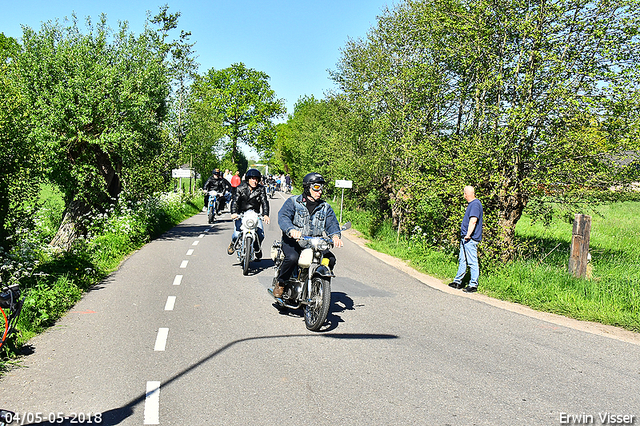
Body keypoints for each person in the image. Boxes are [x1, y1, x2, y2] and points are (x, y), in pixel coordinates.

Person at [273, 172, 343, 298]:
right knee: (292, 258)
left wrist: (335, 236)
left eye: (321, 187)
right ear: (307, 187)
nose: (320, 191)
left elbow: (332, 224)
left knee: (330, 259)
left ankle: (321, 284)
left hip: (314, 244)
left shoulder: (325, 207)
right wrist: (291, 230)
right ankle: (281, 282)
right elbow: (283, 217)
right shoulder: (293, 202)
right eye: (316, 187)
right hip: (294, 242)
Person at [228, 168, 270, 257]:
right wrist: (234, 212)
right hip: (242, 214)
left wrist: (265, 214)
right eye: (252, 178)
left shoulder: (261, 189)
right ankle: (233, 243)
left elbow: (264, 202)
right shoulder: (240, 188)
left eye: (256, 179)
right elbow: (235, 201)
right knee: (236, 234)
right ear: (247, 179)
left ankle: (256, 247)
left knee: (260, 234)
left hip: (255, 215)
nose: (254, 181)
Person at [448, 186, 483, 293]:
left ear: (466, 194)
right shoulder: (472, 204)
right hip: (465, 238)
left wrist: (468, 234)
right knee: (462, 259)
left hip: (470, 238)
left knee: (472, 262)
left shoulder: (475, 204)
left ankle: (473, 284)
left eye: (464, 193)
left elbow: (473, 220)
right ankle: (458, 281)